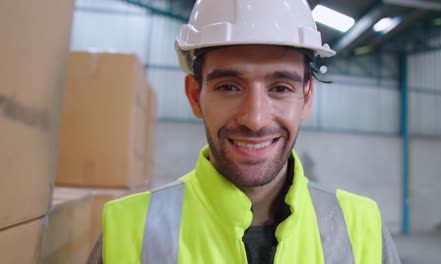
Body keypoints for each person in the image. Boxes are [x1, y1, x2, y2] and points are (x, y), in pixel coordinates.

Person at [88, 0, 401, 263]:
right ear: (195, 96)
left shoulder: (362, 227)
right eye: (228, 86)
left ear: (306, 99)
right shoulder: (129, 230)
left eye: (280, 88)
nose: (255, 119)